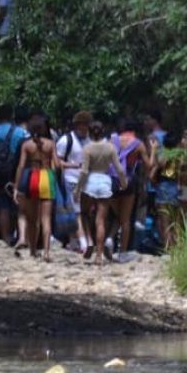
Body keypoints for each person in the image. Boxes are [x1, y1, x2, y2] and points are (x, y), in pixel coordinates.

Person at [75, 121, 127, 265]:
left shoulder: (87, 148)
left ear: (89, 133)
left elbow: (84, 171)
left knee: (84, 214)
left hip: (90, 182)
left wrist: (77, 188)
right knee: (101, 221)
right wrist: (123, 183)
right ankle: (99, 255)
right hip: (105, 181)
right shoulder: (110, 148)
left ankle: (90, 241)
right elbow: (119, 169)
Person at [13, 115, 60, 262]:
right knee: (46, 218)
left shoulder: (26, 145)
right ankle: (46, 252)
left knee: (32, 219)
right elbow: (57, 164)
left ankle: (33, 250)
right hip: (47, 176)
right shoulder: (51, 144)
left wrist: (16, 186)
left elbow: (21, 166)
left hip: (32, 177)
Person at [0, 104, 29, 245]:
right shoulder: (20, 132)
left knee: (3, 205)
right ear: (12, 116)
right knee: (18, 204)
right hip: (15, 171)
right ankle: (20, 235)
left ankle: (5, 236)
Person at [109, 118, 152, 259]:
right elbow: (148, 166)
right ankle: (123, 253)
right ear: (134, 131)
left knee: (116, 215)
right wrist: (154, 149)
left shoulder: (112, 140)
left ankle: (109, 239)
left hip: (112, 181)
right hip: (128, 182)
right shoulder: (138, 145)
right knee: (126, 219)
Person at [56, 111, 93, 254]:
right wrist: (73, 166)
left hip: (87, 182)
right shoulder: (66, 141)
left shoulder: (90, 140)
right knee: (76, 213)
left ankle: (76, 241)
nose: (84, 128)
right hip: (70, 180)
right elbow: (57, 161)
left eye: (86, 125)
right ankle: (84, 243)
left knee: (83, 213)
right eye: (82, 125)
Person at [153, 130, 187, 250]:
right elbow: (184, 176)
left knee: (165, 222)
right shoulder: (181, 157)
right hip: (176, 187)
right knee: (176, 222)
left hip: (164, 186)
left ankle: (168, 248)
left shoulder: (164, 155)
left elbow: (155, 173)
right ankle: (176, 248)